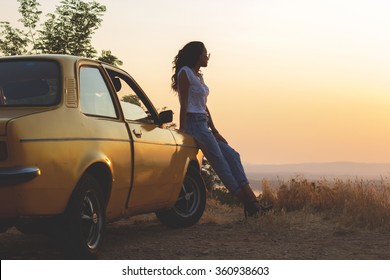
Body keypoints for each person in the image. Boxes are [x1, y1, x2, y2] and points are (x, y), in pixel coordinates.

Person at [171, 41, 270, 217]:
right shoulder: (184, 73)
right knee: (222, 166)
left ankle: (253, 204)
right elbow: (184, 103)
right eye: (204, 53)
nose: (207, 56)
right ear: (197, 55)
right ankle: (251, 205)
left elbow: (204, 106)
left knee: (233, 155)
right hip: (194, 124)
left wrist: (214, 130)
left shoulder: (198, 76)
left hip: (203, 123)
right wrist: (183, 130)